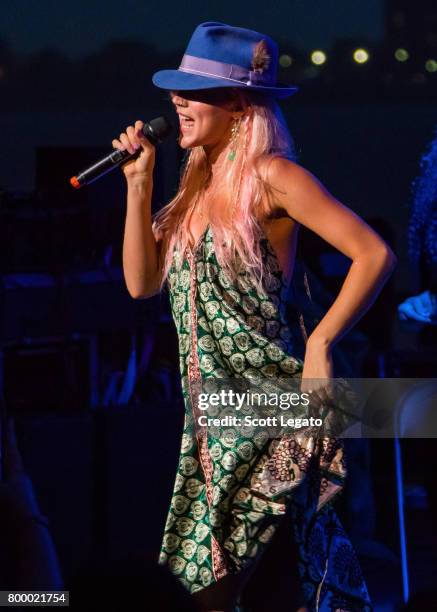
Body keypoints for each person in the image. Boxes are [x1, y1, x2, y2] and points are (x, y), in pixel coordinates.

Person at [115, 22, 396, 612]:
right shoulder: (194, 188)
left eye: (193, 92)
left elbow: (373, 253)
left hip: (265, 404)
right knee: (287, 573)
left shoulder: (273, 175)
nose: (177, 102)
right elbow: (142, 284)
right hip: (213, 416)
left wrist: (321, 343)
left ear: (239, 105)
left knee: (207, 587)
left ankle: (27, 596)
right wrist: (139, 185)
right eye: (176, 91)